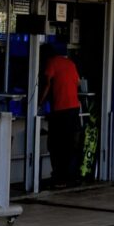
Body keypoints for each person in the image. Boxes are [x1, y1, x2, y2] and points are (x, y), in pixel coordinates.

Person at [39, 43, 82, 189]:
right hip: (74, 109)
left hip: (60, 110)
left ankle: (59, 178)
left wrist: (39, 102)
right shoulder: (70, 63)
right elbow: (78, 82)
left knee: (56, 144)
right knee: (70, 144)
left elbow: (46, 85)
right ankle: (71, 176)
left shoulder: (51, 63)